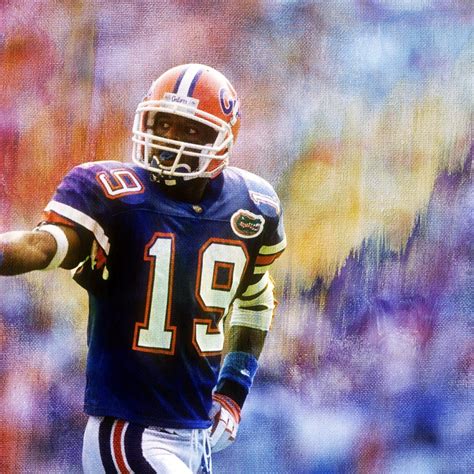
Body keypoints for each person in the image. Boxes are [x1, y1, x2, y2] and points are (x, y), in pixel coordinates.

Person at [0, 63, 286, 473]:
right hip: (129, 432)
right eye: (163, 124)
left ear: (222, 139)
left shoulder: (252, 206)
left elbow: (256, 299)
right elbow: (41, 245)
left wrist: (233, 390)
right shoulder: (113, 194)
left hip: (195, 433)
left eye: (189, 130)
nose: (170, 139)